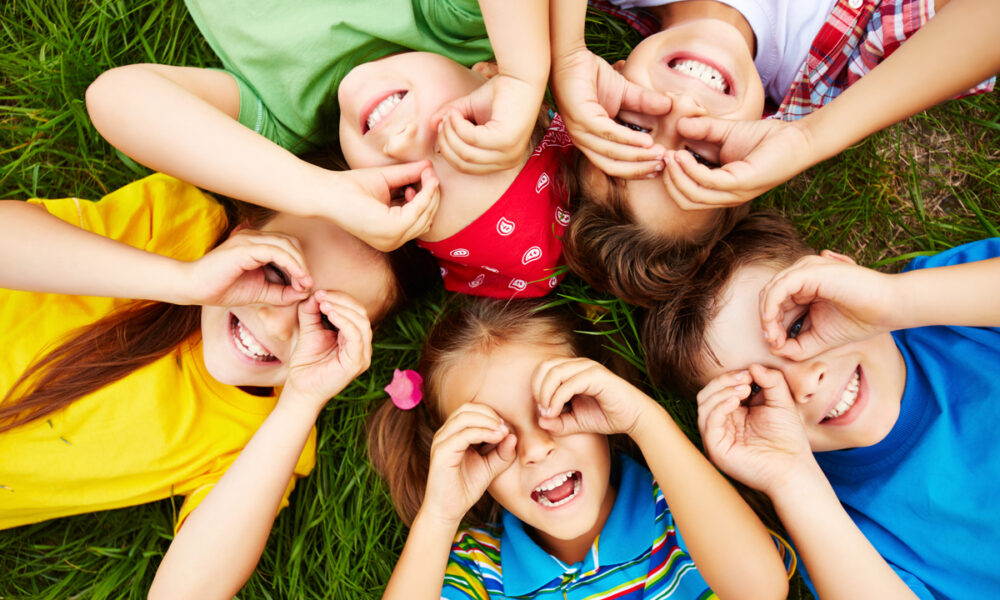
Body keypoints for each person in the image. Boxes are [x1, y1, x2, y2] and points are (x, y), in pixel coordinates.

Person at [0, 173, 430, 599]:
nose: (278, 323)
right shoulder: (174, 225)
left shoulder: (267, 437)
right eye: (278, 273)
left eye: (326, 321)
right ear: (242, 235)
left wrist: (301, 402)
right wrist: (184, 281)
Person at [86, 1, 576, 298]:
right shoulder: (452, 17)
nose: (404, 141)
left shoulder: (282, 126)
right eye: (463, 131)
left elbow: (115, 97)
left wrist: (319, 192)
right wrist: (524, 72)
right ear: (486, 74)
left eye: (406, 188)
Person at [642, 211, 1000, 597]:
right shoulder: (834, 524)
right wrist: (792, 481)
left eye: (798, 326)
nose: (804, 383)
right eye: (758, 391)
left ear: (842, 278)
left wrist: (894, 299)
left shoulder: (947, 307)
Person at [550, 0, 998, 305]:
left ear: (606, 82)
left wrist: (565, 51)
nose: (682, 109)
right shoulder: (850, 66)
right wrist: (809, 138)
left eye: (632, 128)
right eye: (701, 159)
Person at [366, 298, 791, 599]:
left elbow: (762, 590)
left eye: (558, 406)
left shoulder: (681, 507)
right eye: (491, 438)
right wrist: (439, 515)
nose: (535, 449)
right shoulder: (481, 570)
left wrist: (645, 421)